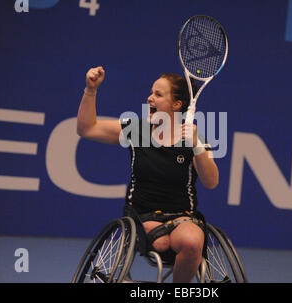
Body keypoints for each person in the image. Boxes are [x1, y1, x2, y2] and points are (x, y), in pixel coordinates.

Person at [77, 66, 219, 283]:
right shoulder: (137, 130)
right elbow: (87, 128)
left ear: (177, 105)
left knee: (191, 243)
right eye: (151, 92)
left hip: (183, 217)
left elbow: (211, 182)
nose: (149, 98)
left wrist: (197, 146)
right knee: (161, 243)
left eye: (158, 94)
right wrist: (91, 89)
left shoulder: (194, 139)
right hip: (142, 215)